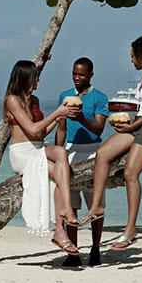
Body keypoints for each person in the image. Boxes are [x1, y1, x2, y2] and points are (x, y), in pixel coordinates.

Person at [81, 36, 142, 250]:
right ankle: (96, 207)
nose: (131, 60)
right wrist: (128, 122)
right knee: (103, 153)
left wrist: (132, 126)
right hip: (139, 124)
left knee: (130, 174)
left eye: (133, 56)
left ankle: (131, 230)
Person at [3, 60, 82, 255]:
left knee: (61, 152)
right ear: (25, 77)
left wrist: (58, 119)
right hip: (22, 153)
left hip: (38, 147)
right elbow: (30, 129)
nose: (38, 79)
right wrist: (56, 112)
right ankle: (61, 227)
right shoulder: (12, 100)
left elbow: (40, 134)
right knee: (58, 174)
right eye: (35, 76)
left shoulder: (34, 100)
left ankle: (64, 215)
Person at [55, 57, 109, 267]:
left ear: (90, 75)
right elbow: (61, 128)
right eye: (74, 74)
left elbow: (98, 128)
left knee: (96, 205)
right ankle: (73, 252)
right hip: (69, 152)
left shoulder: (100, 98)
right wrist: (58, 152)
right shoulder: (64, 96)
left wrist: (80, 120)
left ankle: (96, 249)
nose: (77, 78)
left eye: (82, 75)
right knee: (72, 206)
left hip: (94, 154)